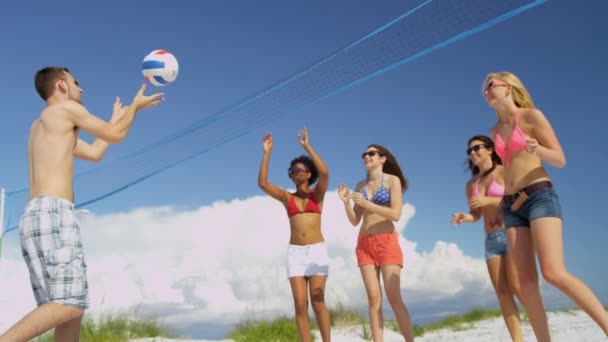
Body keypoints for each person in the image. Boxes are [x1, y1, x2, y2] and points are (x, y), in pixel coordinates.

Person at [1, 67, 164, 342]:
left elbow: (96, 151)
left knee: (69, 310)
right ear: (61, 86)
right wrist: (134, 108)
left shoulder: (41, 125)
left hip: (34, 218)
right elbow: (116, 135)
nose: (82, 88)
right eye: (76, 82)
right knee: (70, 302)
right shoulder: (66, 111)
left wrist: (116, 119)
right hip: (54, 213)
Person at [482, 71, 608, 341]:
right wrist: (496, 207)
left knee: (553, 271)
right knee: (526, 283)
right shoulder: (494, 131)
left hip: (539, 195)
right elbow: (509, 171)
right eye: (484, 89)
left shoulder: (531, 117)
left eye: (491, 85)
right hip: (511, 205)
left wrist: (537, 149)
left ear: (509, 88)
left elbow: (560, 159)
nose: (486, 91)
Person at [258, 128, 331, 342]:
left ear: (309, 173)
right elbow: (262, 184)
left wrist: (307, 146)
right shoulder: (286, 197)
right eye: (293, 170)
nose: (296, 172)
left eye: (300, 169)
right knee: (300, 304)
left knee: (318, 301)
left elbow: (325, 173)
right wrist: (267, 152)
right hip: (295, 254)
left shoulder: (317, 195)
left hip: (317, 251)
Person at [337, 144, 414, 342]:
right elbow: (355, 220)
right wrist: (346, 203)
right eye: (364, 154)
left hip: (387, 241)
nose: (366, 156)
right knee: (373, 299)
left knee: (394, 298)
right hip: (364, 244)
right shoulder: (360, 186)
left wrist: (367, 204)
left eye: (371, 153)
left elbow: (395, 214)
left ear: (383, 158)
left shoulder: (392, 181)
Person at [451, 135, 522, 341]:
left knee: (518, 287)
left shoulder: (503, 171)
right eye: (469, 151)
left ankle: (542, 330)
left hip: (511, 233)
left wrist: (488, 199)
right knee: (502, 292)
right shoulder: (471, 184)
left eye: (477, 148)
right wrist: (465, 217)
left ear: (490, 149)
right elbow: (476, 214)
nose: (472, 153)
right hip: (491, 240)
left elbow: (517, 197)